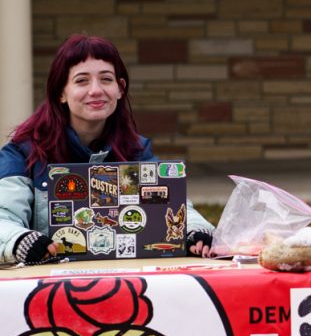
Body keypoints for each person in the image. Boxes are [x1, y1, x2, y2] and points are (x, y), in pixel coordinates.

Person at [0, 32, 215, 265]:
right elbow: (3, 216)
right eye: (81, 80)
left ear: (120, 89)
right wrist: (19, 240)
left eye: (106, 79)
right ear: (60, 92)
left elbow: (175, 206)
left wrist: (195, 230)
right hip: (45, 287)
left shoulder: (136, 150)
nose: (95, 90)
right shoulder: (24, 152)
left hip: (125, 284)